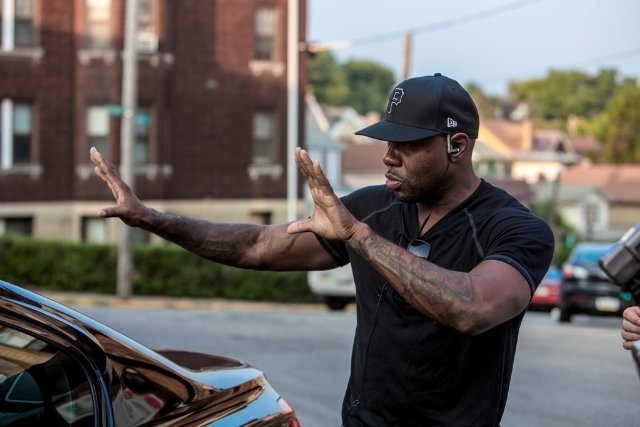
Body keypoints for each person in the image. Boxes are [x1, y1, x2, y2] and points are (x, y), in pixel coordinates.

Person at [90, 73, 554, 426]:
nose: (388, 157)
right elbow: (257, 245)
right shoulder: (374, 208)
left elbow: (472, 308)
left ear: (457, 146)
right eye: (387, 142)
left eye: (407, 145)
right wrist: (152, 219)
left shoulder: (515, 229)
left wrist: (357, 236)